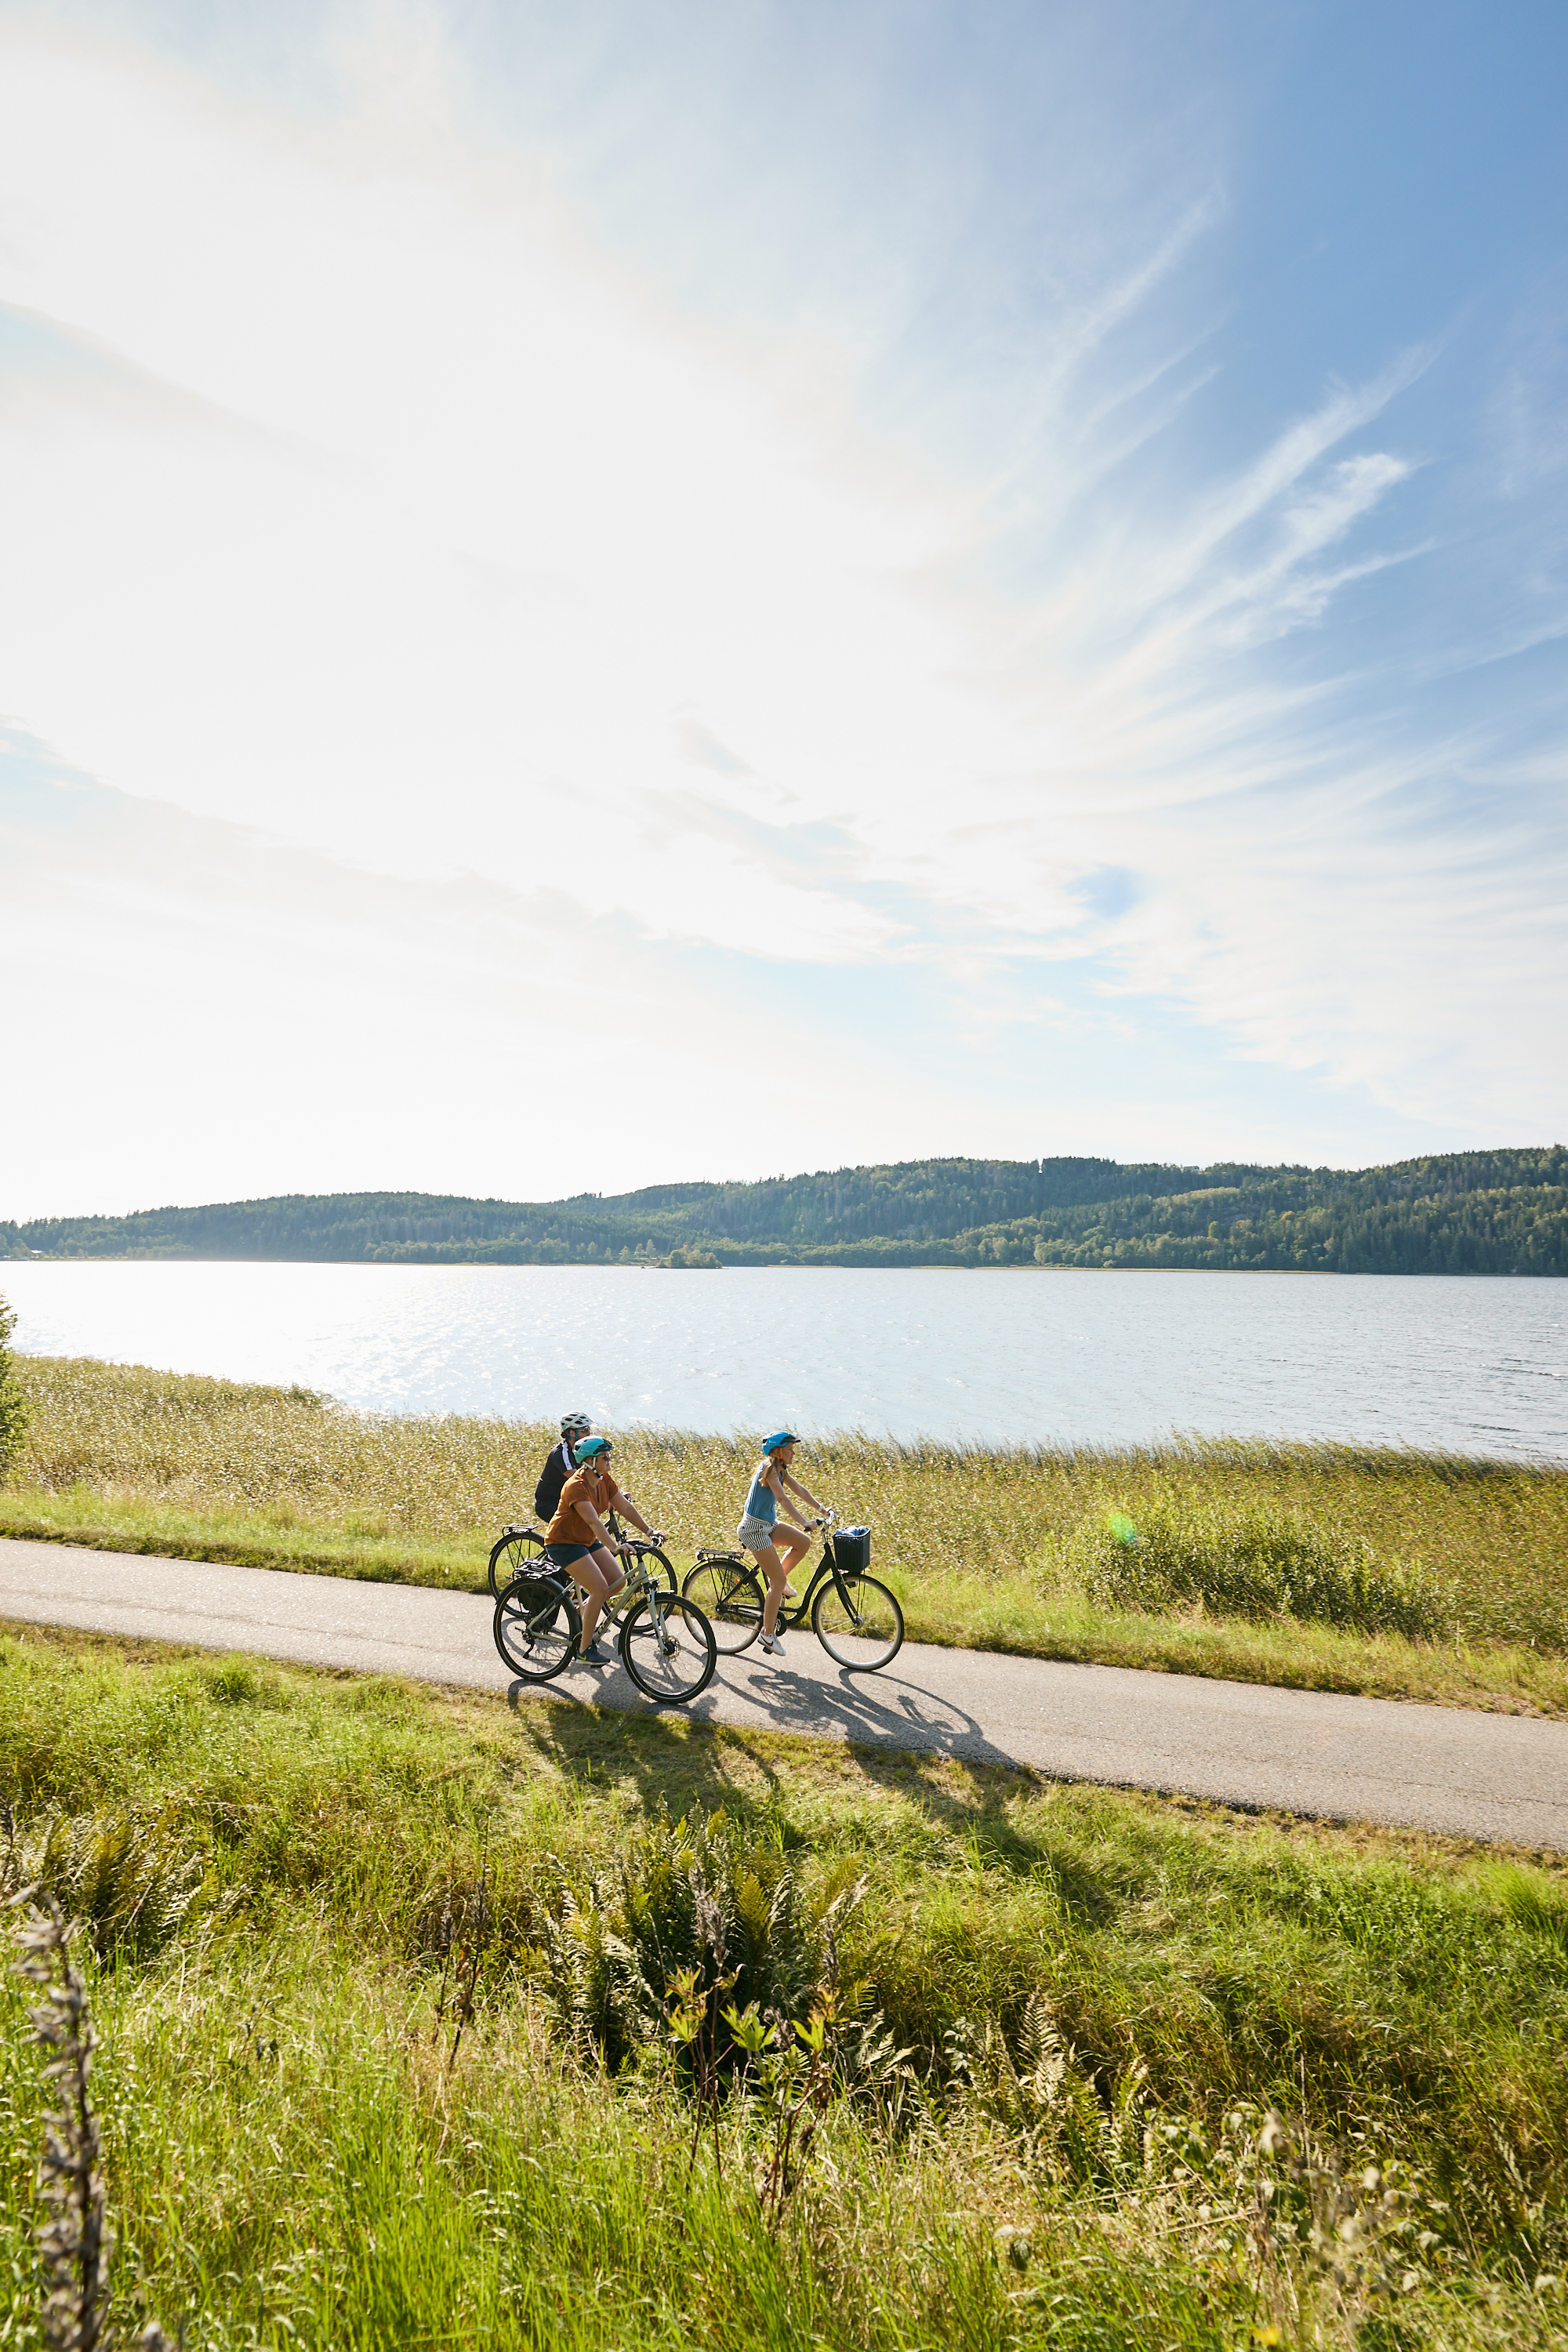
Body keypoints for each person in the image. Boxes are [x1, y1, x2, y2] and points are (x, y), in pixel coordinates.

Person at [541, 1434, 664, 1663]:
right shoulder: (575, 1486)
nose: (609, 1461)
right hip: (563, 1542)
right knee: (599, 1588)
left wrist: (650, 1531)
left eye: (609, 1456)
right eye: (604, 1457)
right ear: (589, 1461)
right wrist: (615, 1547)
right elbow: (593, 1522)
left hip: (585, 1540)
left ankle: (582, 1612)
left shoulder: (604, 1480)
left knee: (617, 1581)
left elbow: (625, 1507)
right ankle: (584, 1650)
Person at [738, 1431, 829, 1658]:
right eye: (790, 1449)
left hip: (767, 1524)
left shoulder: (781, 1469)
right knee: (778, 1581)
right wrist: (803, 1521)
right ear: (778, 1452)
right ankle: (767, 1634)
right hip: (754, 1529)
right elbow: (782, 1498)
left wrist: (821, 1509)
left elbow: (799, 1491)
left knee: (802, 1542)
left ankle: (777, 1582)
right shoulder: (769, 1470)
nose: (793, 1453)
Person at [535, 1413, 592, 1523]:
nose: (589, 1433)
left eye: (588, 1428)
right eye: (584, 1430)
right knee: (579, 1526)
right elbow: (577, 1479)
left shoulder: (583, 1451)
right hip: (549, 1503)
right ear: (572, 1433)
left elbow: (597, 1474)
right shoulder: (561, 1453)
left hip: (568, 1500)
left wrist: (616, 1492)